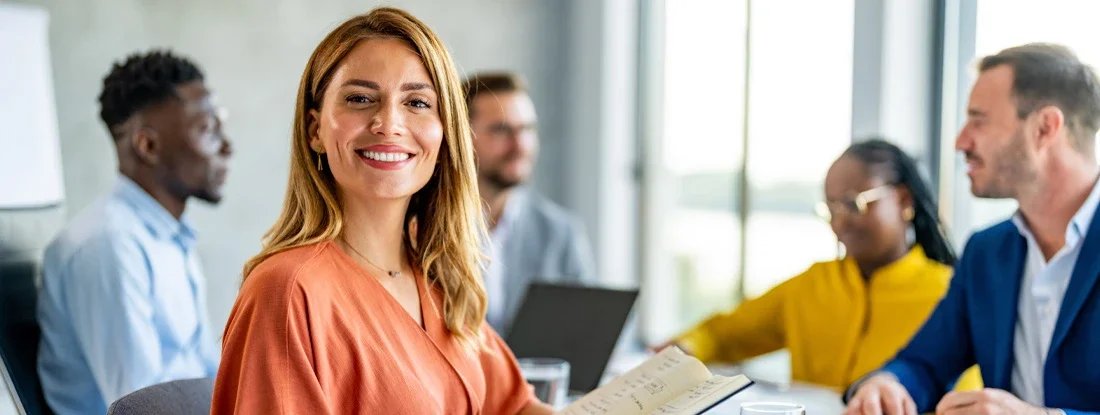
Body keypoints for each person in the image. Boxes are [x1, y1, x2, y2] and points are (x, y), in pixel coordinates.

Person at [210, 8, 553, 415]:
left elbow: (513, 406)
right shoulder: (287, 293)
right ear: (315, 130)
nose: (388, 123)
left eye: (417, 102)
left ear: (445, 134)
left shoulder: (438, 275)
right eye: (359, 99)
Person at [846, 43, 1100, 415]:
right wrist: (888, 384)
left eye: (978, 120)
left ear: (1045, 128)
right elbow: (924, 363)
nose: (960, 141)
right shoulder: (987, 251)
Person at [654, 139, 981, 392]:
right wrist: (681, 350)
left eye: (854, 204)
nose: (840, 223)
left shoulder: (950, 294)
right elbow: (722, 334)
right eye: (831, 208)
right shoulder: (812, 285)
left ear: (904, 200)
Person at [37, 50, 231, 414]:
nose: (226, 146)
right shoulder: (109, 245)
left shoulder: (171, 238)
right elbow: (142, 409)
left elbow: (209, 379)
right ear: (148, 146)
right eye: (207, 130)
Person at [463, 72, 595, 334]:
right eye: (501, 130)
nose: (520, 145)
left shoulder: (560, 231)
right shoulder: (423, 228)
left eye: (527, 129)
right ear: (461, 137)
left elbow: (590, 332)